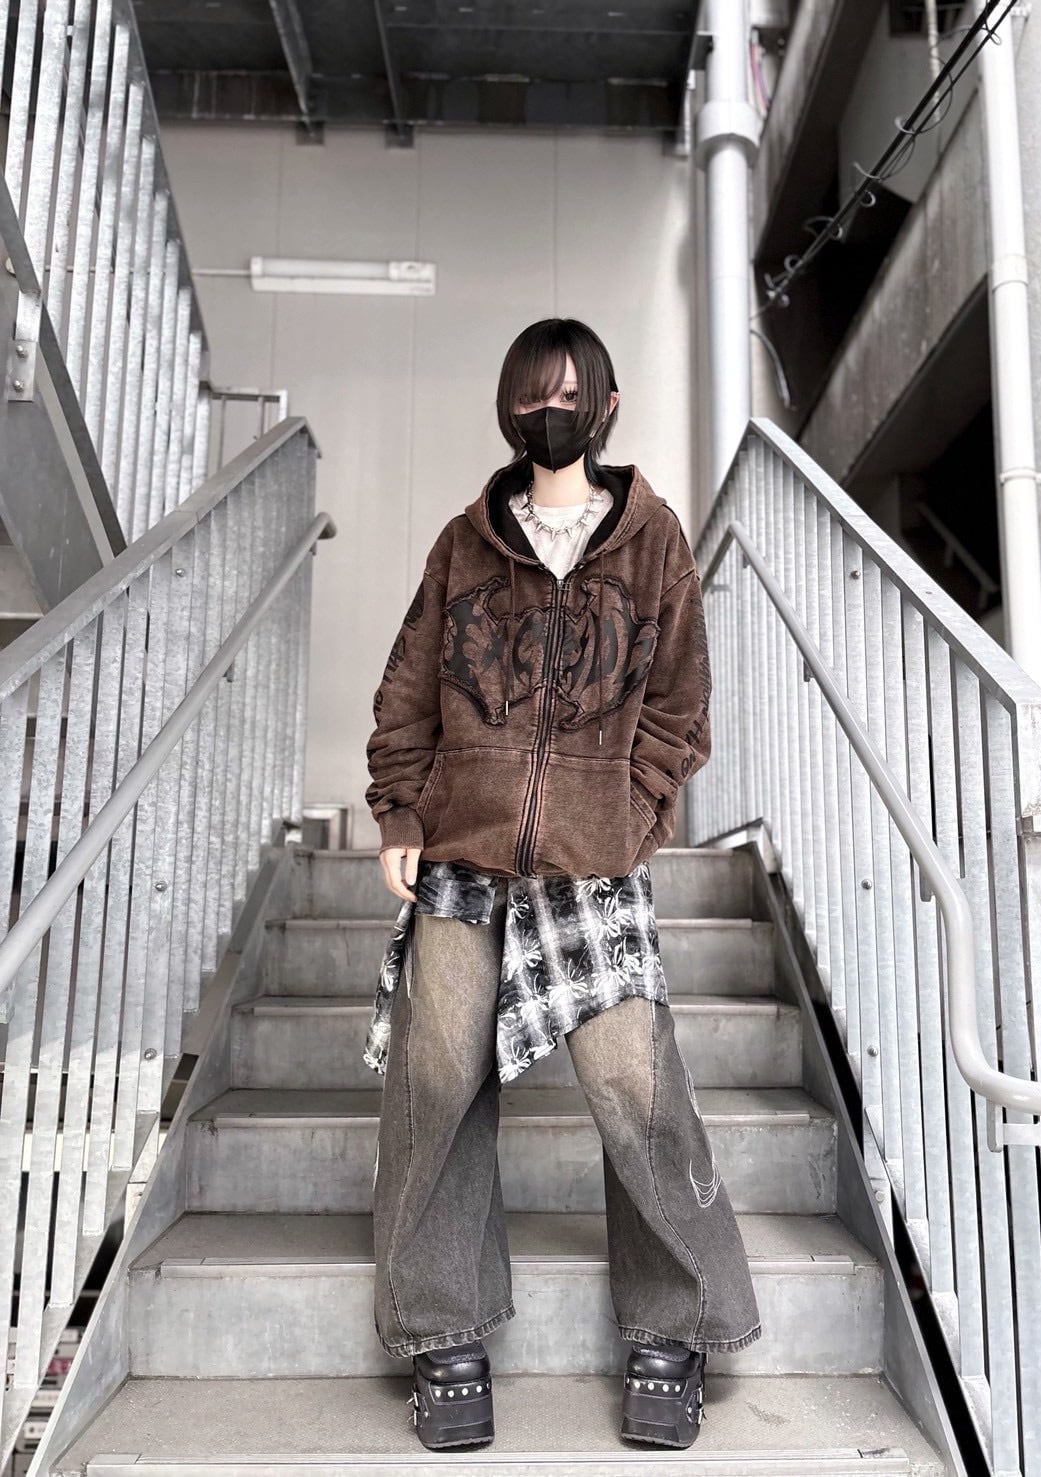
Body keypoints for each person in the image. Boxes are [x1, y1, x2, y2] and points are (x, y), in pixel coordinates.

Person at [363, 318, 761, 1453]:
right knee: (438, 1076)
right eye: (533, 394)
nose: (551, 412)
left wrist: (630, 814)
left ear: (608, 406)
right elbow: (409, 688)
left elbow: (680, 704)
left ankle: (675, 1324)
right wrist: (401, 810)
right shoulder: (465, 543)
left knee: (633, 1082)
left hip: (594, 865)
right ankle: (441, 1328)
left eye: (570, 393)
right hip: (463, 851)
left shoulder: (651, 539)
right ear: (508, 407)